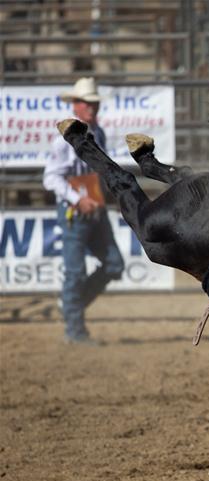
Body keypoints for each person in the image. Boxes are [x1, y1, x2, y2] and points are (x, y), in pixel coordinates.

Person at [43, 77, 124, 344]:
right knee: (76, 271)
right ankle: (75, 329)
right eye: (87, 103)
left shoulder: (97, 133)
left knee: (114, 264)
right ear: (75, 105)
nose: (92, 107)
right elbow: (51, 178)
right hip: (74, 212)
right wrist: (78, 199)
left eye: (94, 103)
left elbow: (96, 170)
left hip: (95, 208)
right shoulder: (63, 140)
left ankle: (69, 307)